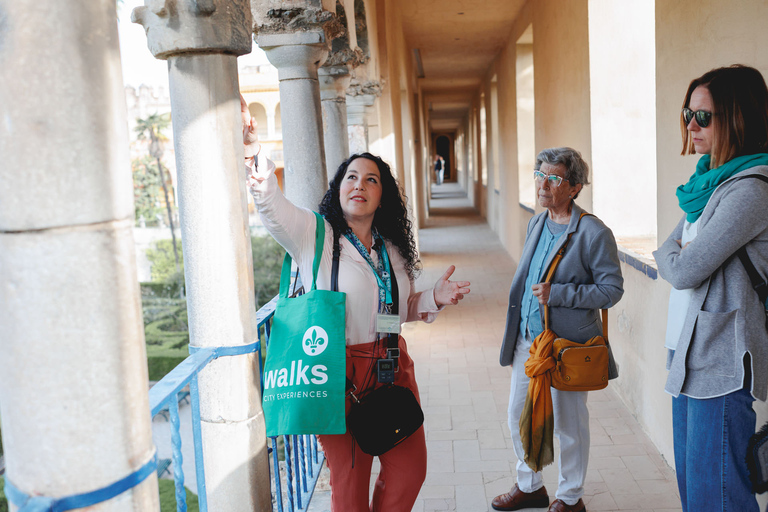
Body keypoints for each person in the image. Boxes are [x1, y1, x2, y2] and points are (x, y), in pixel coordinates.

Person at [241, 97, 471, 512]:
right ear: (339, 188)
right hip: (334, 373)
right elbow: (273, 209)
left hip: (391, 366)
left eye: (371, 179)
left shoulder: (393, 250)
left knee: (409, 471)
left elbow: (395, 310)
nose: (359, 185)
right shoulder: (317, 238)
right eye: (351, 177)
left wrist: (431, 298)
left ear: (382, 196)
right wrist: (253, 153)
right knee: (349, 489)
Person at [653, 64, 768, 512]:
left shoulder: (750, 189)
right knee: (696, 494)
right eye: (688, 114)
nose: (691, 126)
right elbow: (669, 248)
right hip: (689, 357)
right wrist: (678, 256)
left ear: (738, 118)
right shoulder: (709, 183)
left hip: (721, 363)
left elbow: (682, 269)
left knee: (718, 497)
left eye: (704, 116)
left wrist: (678, 257)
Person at [492, 147, 624, 512]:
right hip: (529, 342)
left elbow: (612, 290)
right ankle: (530, 486)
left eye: (554, 178)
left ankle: (569, 497)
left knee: (569, 424)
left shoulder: (593, 232)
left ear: (575, 186)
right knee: (519, 413)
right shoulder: (537, 222)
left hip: (567, 345)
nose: (543, 184)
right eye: (540, 175)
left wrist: (559, 294)